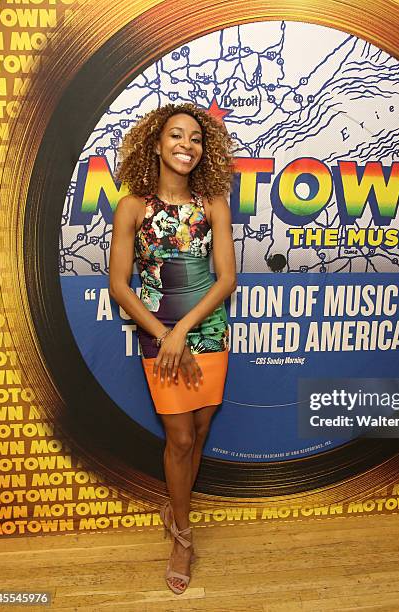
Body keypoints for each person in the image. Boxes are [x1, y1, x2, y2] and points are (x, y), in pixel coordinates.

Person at [108, 102, 236, 595]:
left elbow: (226, 279)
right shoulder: (133, 208)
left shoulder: (213, 205)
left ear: (205, 151)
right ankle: (182, 535)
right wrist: (167, 335)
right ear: (156, 145)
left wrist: (185, 330)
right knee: (179, 438)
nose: (187, 145)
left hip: (207, 329)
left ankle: (174, 505)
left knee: (200, 429)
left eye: (196, 139)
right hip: (159, 333)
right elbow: (121, 285)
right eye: (176, 136)